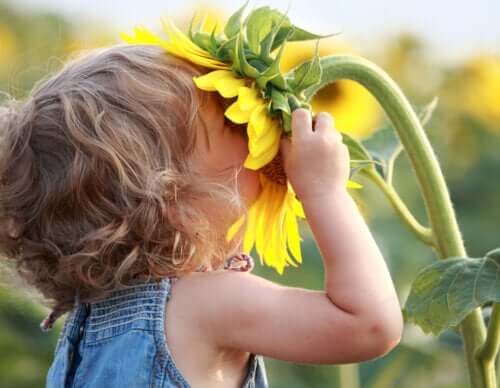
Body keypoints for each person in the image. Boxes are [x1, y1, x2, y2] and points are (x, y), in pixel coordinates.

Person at [0, 44, 403, 388]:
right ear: (173, 197)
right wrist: (323, 189)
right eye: (231, 123)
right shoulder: (206, 303)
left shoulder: (89, 323)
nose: (253, 135)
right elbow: (369, 325)